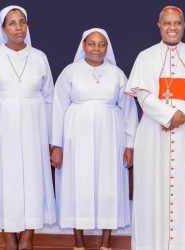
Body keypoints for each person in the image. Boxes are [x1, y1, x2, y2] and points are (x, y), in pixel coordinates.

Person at [125, 5, 185, 250]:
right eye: (167, 23)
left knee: (183, 191)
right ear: (159, 25)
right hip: (153, 134)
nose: (172, 28)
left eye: (177, 23)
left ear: (184, 26)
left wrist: (182, 115)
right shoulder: (145, 56)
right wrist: (168, 117)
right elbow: (142, 95)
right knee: (151, 193)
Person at [0, 5, 56, 250]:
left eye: (22, 22)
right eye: (12, 23)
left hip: (34, 131)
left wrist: (52, 139)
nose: (18, 28)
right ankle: (9, 239)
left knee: (33, 183)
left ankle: (28, 238)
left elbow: (50, 99)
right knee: (4, 184)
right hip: (1, 132)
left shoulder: (39, 57)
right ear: (3, 28)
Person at [50, 28, 138, 250]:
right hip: (75, 138)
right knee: (76, 185)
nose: (96, 49)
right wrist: (56, 145)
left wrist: (130, 145)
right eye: (92, 44)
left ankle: (105, 243)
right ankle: (78, 243)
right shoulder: (70, 72)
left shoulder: (117, 74)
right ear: (83, 45)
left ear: (107, 48)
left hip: (110, 138)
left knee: (109, 185)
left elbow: (128, 110)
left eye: (101, 44)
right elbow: (58, 108)